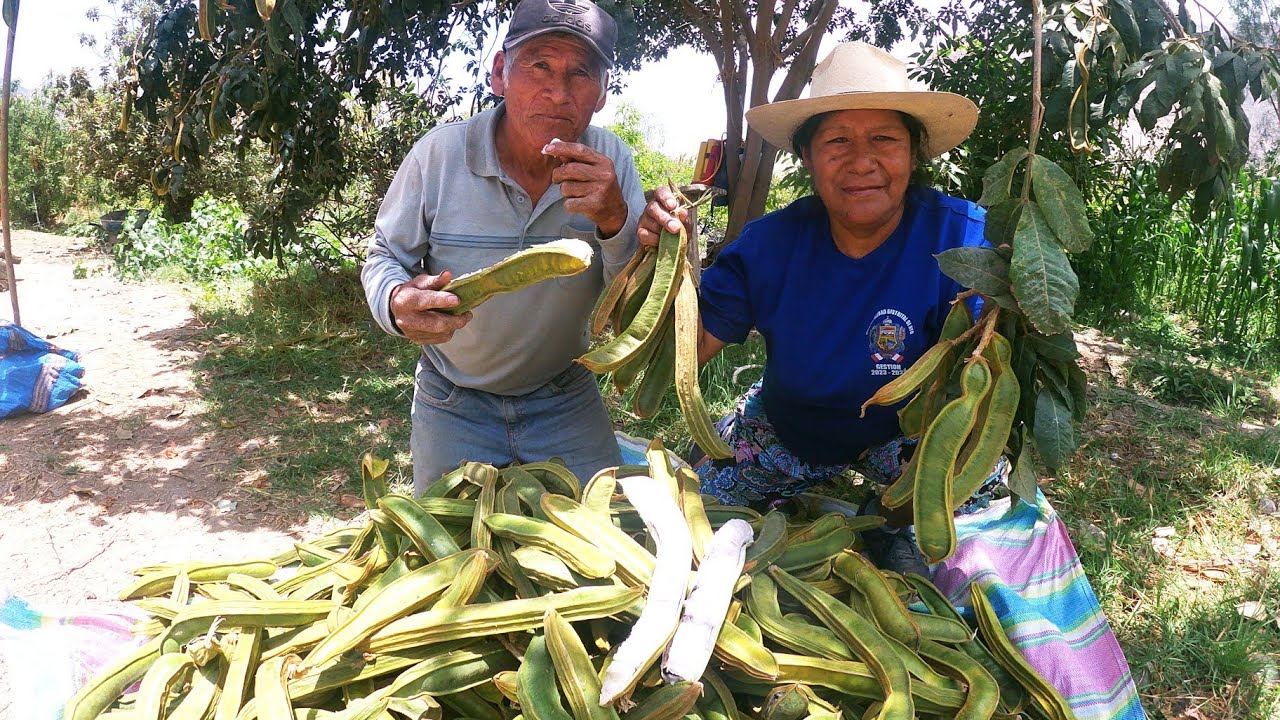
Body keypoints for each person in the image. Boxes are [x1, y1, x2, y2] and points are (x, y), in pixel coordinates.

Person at [641, 42, 1148, 720]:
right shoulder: (767, 244)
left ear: (914, 154)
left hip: (915, 448)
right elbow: (682, 355)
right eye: (837, 142)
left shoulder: (968, 241)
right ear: (808, 158)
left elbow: (992, 370)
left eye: (884, 139)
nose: (861, 162)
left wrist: (1017, 292)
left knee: (1002, 548)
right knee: (679, 536)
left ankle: (1079, 694)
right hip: (787, 430)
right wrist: (659, 257)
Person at [362, 0, 646, 495]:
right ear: (499, 74)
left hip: (564, 394)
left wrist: (616, 220)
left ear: (602, 93)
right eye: (539, 65)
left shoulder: (611, 162)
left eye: (581, 73)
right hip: (453, 398)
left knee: (602, 531)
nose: (558, 92)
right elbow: (385, 253)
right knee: (448, 537)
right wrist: (396, 301)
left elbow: (635, 303)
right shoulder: (440, 155)